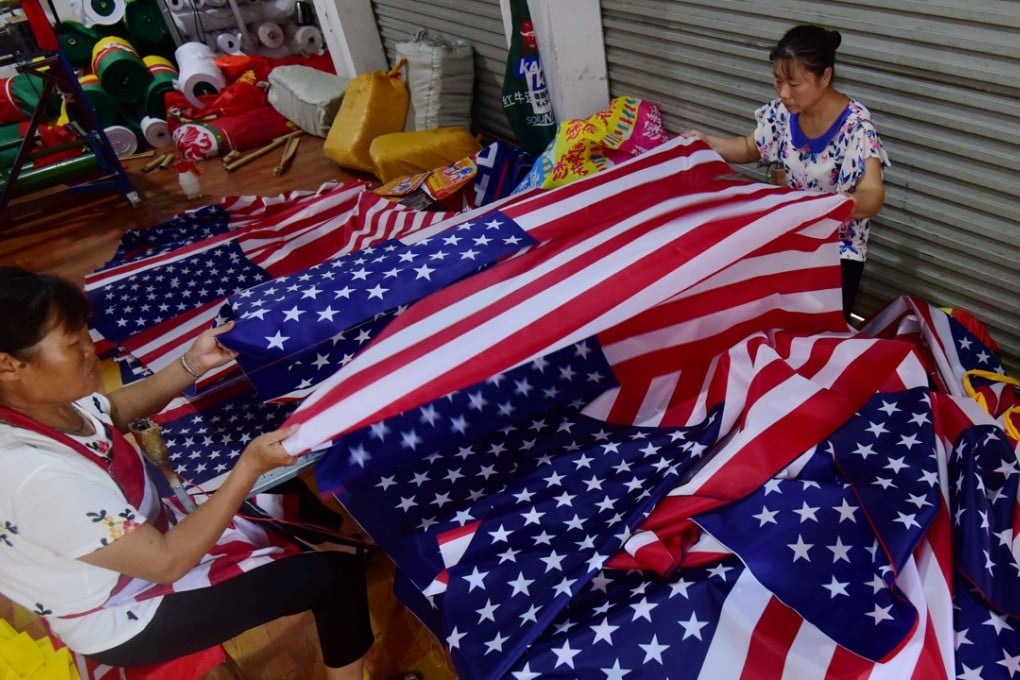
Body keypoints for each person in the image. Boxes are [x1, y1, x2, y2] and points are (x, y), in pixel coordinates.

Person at [0, 266, 374, 679]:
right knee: (334, 579)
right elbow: (166, 563)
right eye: (73, 343)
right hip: (128, 608)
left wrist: (191, 364)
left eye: (85, 332)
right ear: (9, 366)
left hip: (145, 537)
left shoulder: (35, 408)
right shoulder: (35, 476)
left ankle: (324, 544)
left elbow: (114, 412)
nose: (92, 350)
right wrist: (246, 469)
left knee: (287, 497)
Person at [684, 24, 890, 321]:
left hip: (836, 253)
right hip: (789, 241)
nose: (783, 93)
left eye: (794, 84)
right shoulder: (783, 114)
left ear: (825, 77)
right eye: (778, 81)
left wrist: (846, 202)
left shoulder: (856, 126)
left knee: (820, 337)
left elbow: (873, 193)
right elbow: (748, 146)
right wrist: (707, 143)